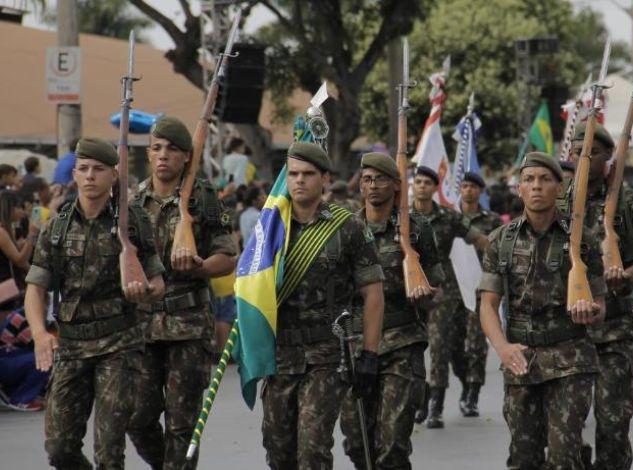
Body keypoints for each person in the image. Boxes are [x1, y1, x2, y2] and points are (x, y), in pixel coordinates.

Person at [24, 137, 165, 469]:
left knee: (109, 450)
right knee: (60, 448)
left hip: (119, 344)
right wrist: (39, 333)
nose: (90, 176)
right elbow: (35, 288)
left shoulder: (132, 223)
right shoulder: (56, 228)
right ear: (74, 174)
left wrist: (144, 291)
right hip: (72, 345)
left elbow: (158, 283)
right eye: (83, 169)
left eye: (98, 169)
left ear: (113, 175)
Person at [479, 152, 605, 469]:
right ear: (519, 188)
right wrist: (502, 347)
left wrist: (588, 310)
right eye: (529, 179)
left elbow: (600, 305)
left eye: (545, 179)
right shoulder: (500, 241)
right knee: (524, 458)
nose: (536, 186)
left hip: (570, 359)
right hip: (521, 361)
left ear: (559, 188)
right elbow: (488, 304)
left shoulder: (582, 241)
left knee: (563, 457)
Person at [262, 142, 384, 469]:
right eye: (293, 174)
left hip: (326, 355)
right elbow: (249, 285)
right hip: (279, 353)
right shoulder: (271, 225)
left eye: (308, 174)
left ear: (325, 179)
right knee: (278, 451)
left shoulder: (347, 226)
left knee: (313, 449)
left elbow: (373, 292)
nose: (299, 180)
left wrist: (370, 353)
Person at [127, 116, 238, 469]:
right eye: (157, 148)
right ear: (148, 153)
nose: (163, 155)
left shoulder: (203, 198)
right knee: (137, 417)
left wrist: (200, 266)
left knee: (181, 424)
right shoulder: (132, 202)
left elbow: (227, 257)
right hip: (142, 328)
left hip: (188, 326)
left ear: (187, 156)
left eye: (172, 149)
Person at [340, 152, 443, 469]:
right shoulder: (346, 229)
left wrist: (424, 295)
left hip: (402, 343)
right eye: (367, 180)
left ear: (396, 185)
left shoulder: (416, 229)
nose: (372, 186)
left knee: (392, 444)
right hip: (356, 346)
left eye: (380, 179)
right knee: (357, 441)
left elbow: (437, 288)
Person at [569, 123, 633, 469]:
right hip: (567, 333)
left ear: (607, 156)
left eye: (592, 153)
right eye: (578, 152)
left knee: (613, 423)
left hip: (614, 330)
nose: (583, 159)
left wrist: (621, 279)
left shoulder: (627, 202)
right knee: (565, 429)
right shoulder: (559, 201)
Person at [410, 165, 487, 428]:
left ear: (435, 188)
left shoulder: (448, 217)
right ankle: (421, 397)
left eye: (427, 183)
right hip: (407, 289)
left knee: (439, 345)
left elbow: (478, 239)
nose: (422, 186)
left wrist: (499, 261)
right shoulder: (402, 217)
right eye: (418, 182)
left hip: (441, 290)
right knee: (409, 348)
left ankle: (436, 405)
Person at [457, 171, 502, 417]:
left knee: (476, 343)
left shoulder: (492, 220)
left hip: (480, 287)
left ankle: (473, 393)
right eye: (464, 186)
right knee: (451, 345)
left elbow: (498, 251)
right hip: (453, 289)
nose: (468, 190)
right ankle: (465, 381)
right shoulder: (450, 218)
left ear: (481, 191)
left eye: (473, 186)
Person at [0, 308, 49, 411]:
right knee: (42, 358)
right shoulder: (28, 316)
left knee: (35, 356)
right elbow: (37, 343)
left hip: (9, 359)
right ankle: (22, 399)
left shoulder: (22, 312)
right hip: (5, 361)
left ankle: (16, 394)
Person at [0, 190, 37, 315]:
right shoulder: (1, 232)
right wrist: (32, 234)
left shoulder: (8, 229)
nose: (22, 211)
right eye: (18, 207)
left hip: (10, 289)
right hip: (6, 291)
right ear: (10, 208)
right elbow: (20, 261)